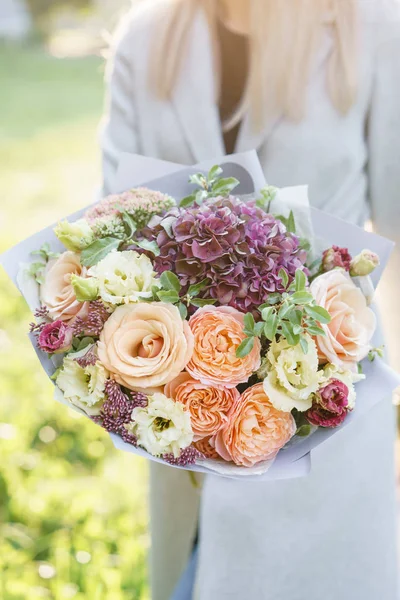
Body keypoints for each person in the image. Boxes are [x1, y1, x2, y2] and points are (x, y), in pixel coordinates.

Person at [100, 1, 400, 598]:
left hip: (327, 409)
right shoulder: (149, 36)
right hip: (182, 409)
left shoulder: (370, 27)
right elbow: (112, 229)